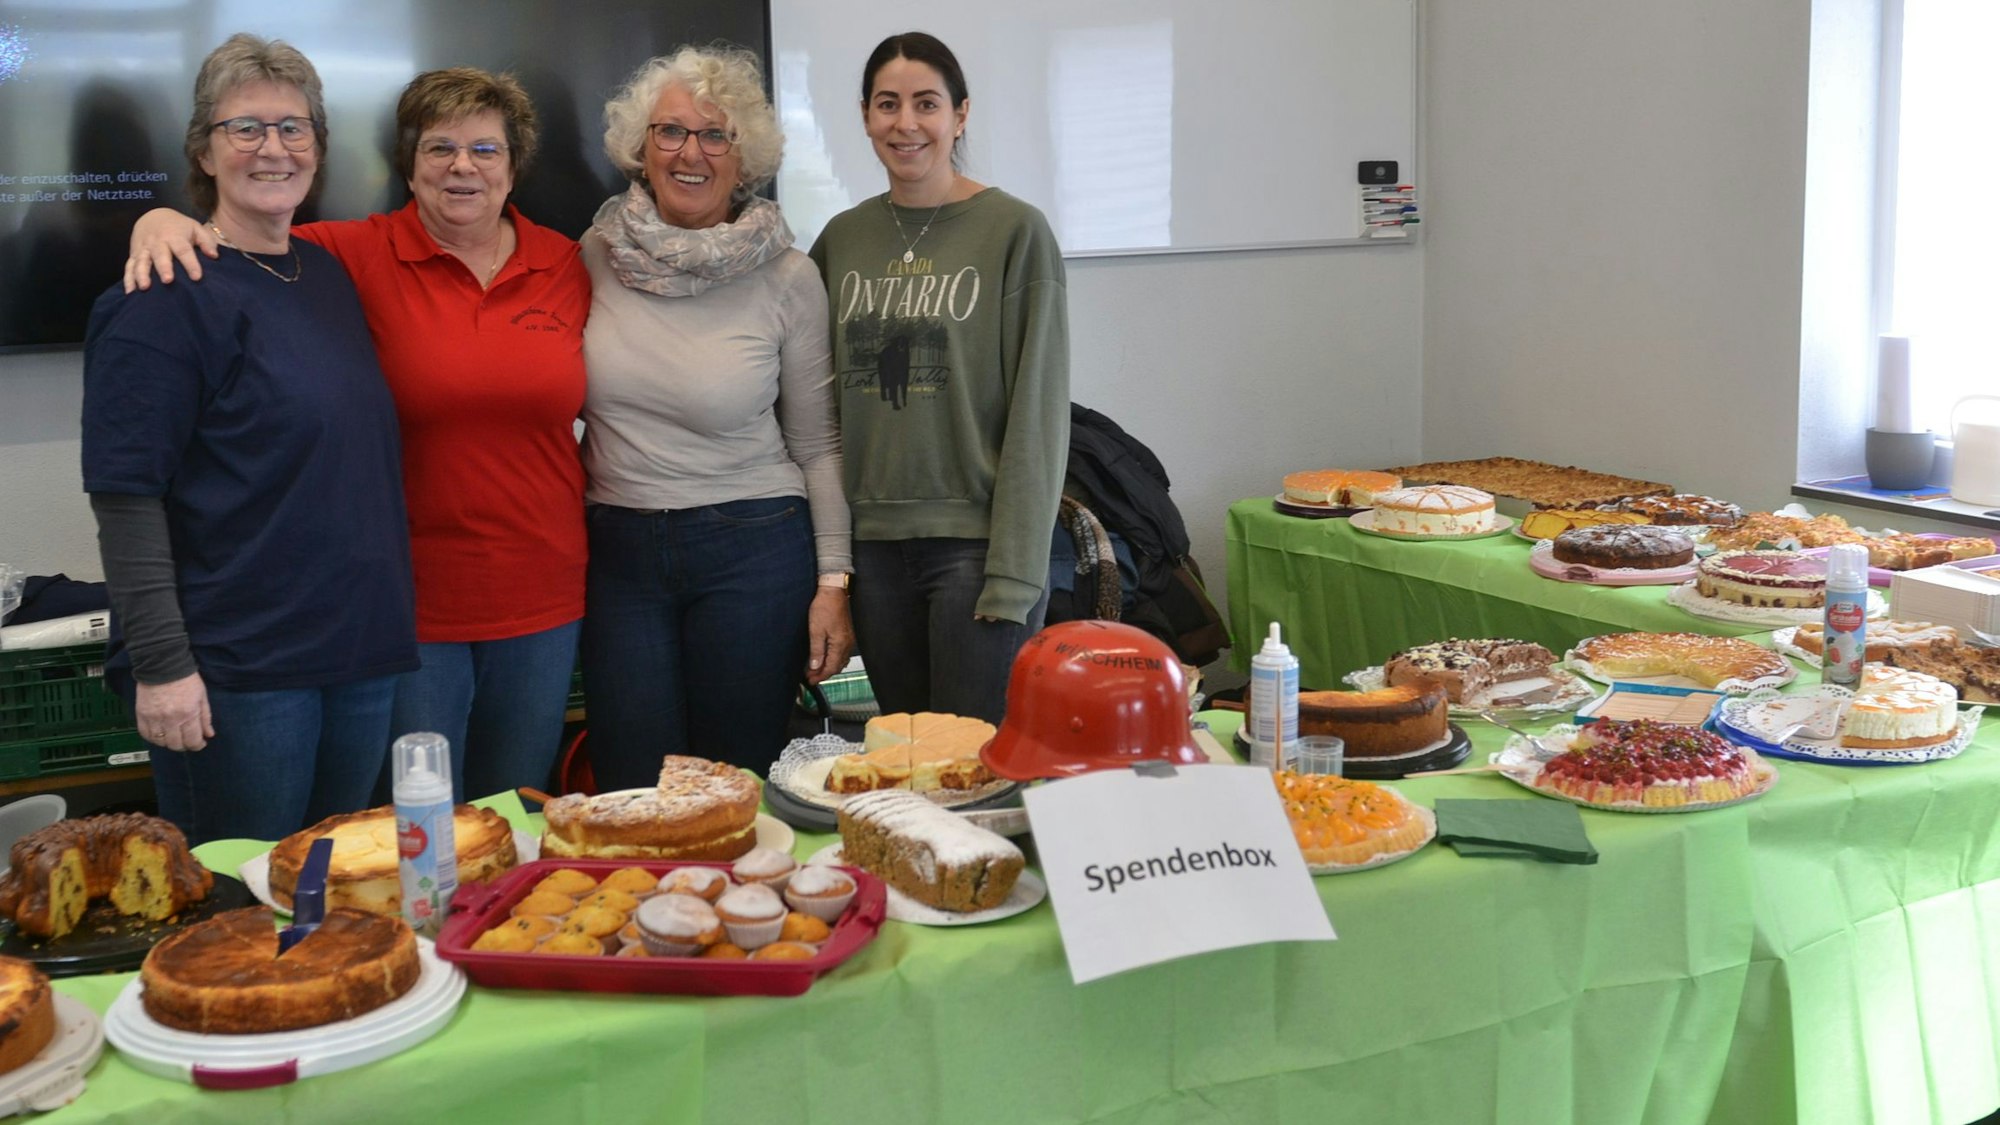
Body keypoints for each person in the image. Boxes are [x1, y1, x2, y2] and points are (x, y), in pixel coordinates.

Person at [125, 68, 591, 804]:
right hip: (405, 605)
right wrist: (158, 221)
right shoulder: (346, 254)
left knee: (519, 819)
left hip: (545, 593)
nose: (462, 166)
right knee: (421, 828)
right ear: (407, 164)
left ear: (514, 165)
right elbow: (241, 239)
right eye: (439, 148)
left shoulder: (568, 263)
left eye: (484, 149)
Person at [82, 34, 417, 845]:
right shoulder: (162, 296)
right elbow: (127, 498)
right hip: (242, 673)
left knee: (334, 905)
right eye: (246, 128)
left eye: (294, 127)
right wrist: (162, 668)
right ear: (204, 148)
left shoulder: (324, 275)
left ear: (319, 146)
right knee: (237, 926)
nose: (274, 148)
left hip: (359, 653)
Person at [579, 45, 852, 787]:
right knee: (634, 785)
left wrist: (834, 582)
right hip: (618, 553)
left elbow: (820, 444)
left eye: (714, 135)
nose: (689, 153)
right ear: (641, 148)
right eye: (670, 132)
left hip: (753, 549)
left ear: (745, 155)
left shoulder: (790, 276)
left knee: (737, 782)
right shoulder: (593, 255)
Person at [807, 32, 1070, 724]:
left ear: (961, 114)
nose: (906, 123)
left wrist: (1016, 571)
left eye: (927, 103)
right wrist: (831, 567)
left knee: (974, 777)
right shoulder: (841, 239)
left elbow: (1038, 416)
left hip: (976, 551)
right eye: (887, 104)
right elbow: (816, 415)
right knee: (908, 769)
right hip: (873, 555)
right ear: (865, 115)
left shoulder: (1015, 231)